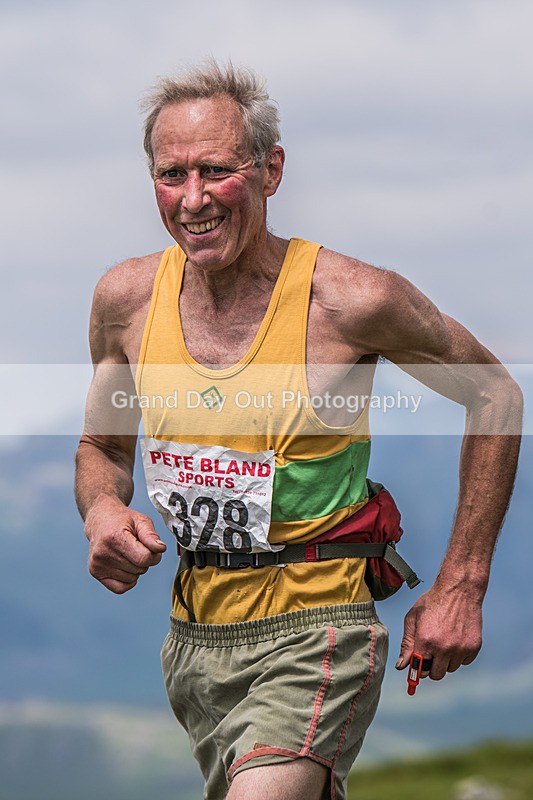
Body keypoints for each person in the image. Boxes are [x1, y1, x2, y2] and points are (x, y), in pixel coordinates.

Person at [75, 61, 522, 800]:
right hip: (194, 637)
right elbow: (103, 447)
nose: (192, 199)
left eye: (216, 171)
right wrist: (100, 510)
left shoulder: (350, 301)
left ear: (269, 170)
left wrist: (461, 584)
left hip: (319, 627)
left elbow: (495, 396)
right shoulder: (123, 300)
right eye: (171, 174)